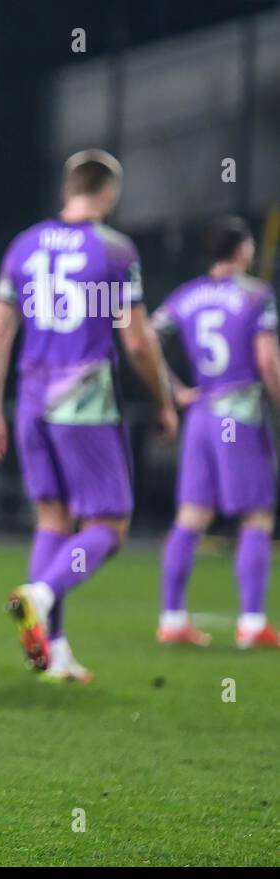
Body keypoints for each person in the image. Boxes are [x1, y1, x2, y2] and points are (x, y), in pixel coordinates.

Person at [0, 149, 177, 683]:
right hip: (83, 400)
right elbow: (135, 340)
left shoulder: (23, 245)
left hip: (31, 400)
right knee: (108, 525)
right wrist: (162, 400)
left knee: (53, 520)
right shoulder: (113, 249)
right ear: (109, 193)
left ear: (67, 188)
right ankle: (40, 595)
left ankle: (54, 651)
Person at [153, 217, 280, 649]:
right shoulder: (256, 295)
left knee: (191, 516)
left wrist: (172, 389)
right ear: (243, 250)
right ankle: (251, 623)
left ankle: (171, 619)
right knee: (257, 515)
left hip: (202, 415)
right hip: (238, 414)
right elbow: (267, 362)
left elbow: (146, 336)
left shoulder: (186, 297)